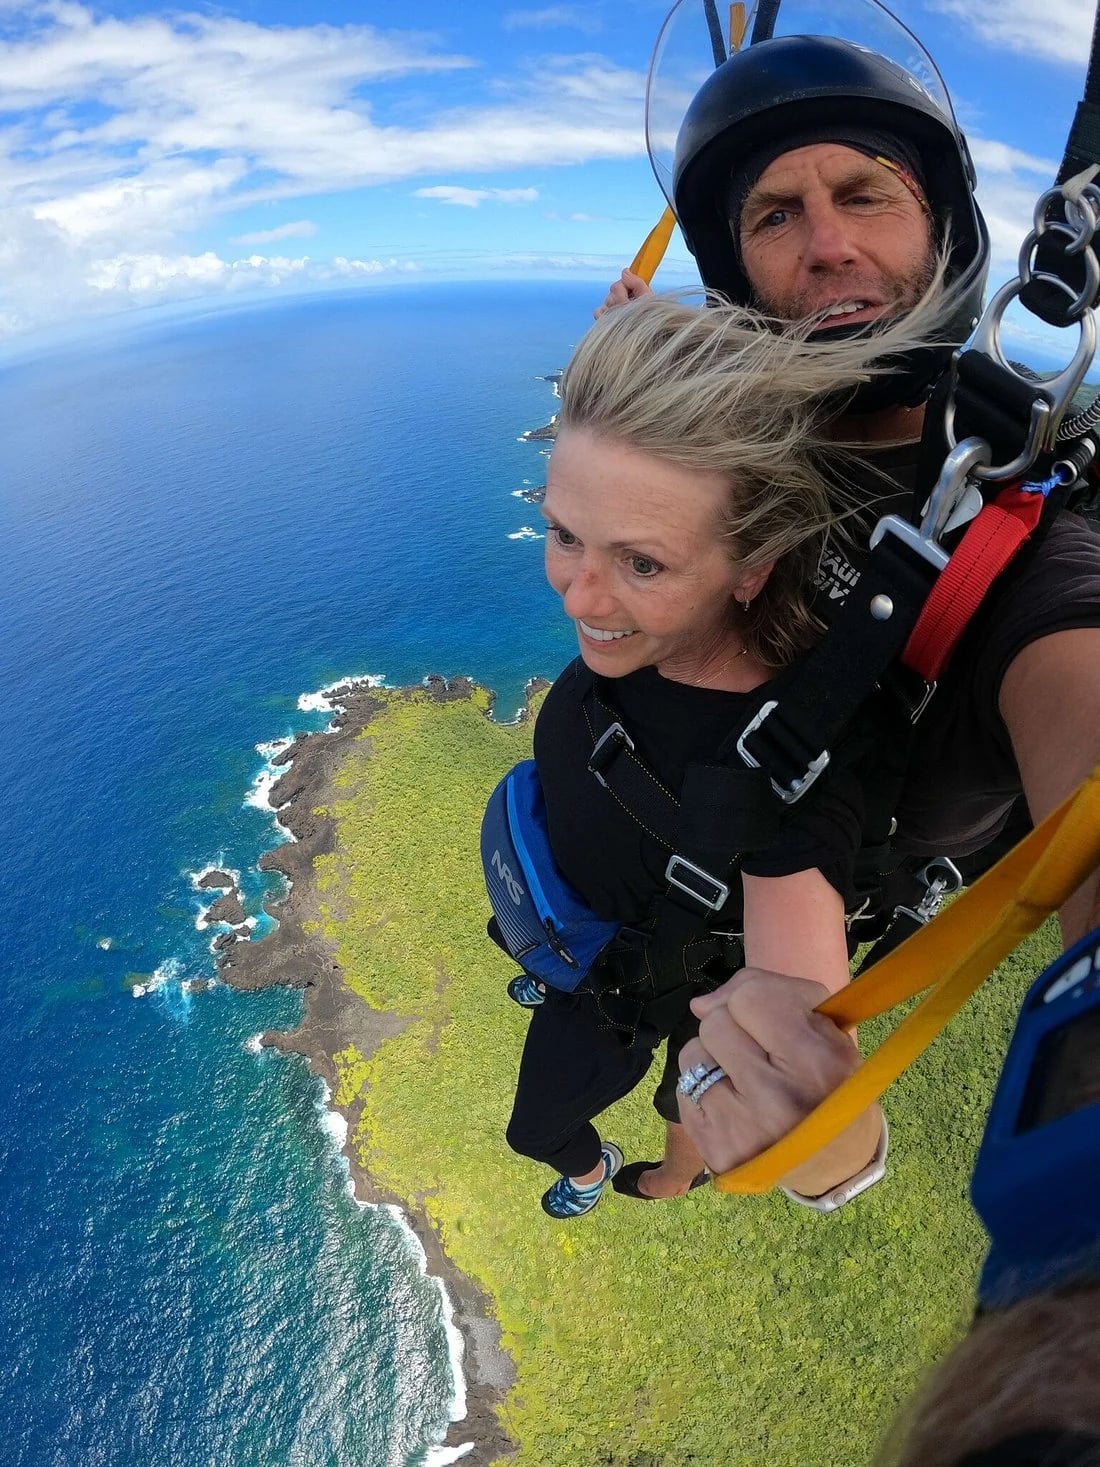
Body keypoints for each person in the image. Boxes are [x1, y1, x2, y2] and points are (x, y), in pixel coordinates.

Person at [598, 31, 1100, 950]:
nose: (829, 245)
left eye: (866, 196)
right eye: (776, 216)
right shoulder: (721, 443)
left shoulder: (1028, 546)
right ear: (734, 272)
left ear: (941, 226)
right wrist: (640, 412)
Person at [499, 291, 938, 1217]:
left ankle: (600, 1172)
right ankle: (674, 1166)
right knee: (677, 1107)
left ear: (754, 564)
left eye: (642, 563)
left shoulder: (792, 767)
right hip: (600, 934)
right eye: (564, 534)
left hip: (635, 991)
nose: (579, 597)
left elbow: (799, 991)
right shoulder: (649, 633)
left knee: (552, 1121)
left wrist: (831, 1146)